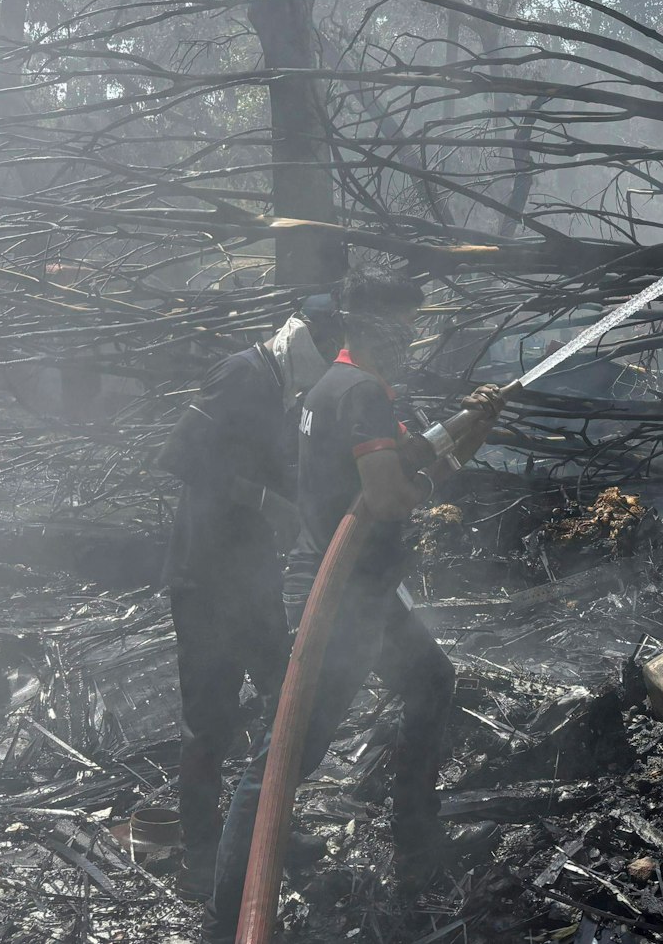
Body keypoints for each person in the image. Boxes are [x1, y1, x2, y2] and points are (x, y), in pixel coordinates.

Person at [203, 269, 507, 941]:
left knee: (430, 679)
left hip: (356, 592)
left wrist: (475, 427)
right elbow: (392, 495)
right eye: (402, 326)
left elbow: (406, 469)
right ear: (370, 325)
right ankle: (229, 920)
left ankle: (418, 846)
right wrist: (428, 472)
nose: (409, 339)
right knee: (284, 757)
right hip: (337, 604)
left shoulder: (333, 386)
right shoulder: (363, 392)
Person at [157, 295, 342, 896]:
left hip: (252, 578)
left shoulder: (283, 393)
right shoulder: (242, 373)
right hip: (207, 579)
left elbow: (282, 471)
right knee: (210, 721)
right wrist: (264, 501)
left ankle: (267, 833)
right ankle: (203, 854)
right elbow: (181, 456)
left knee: (282, 701)